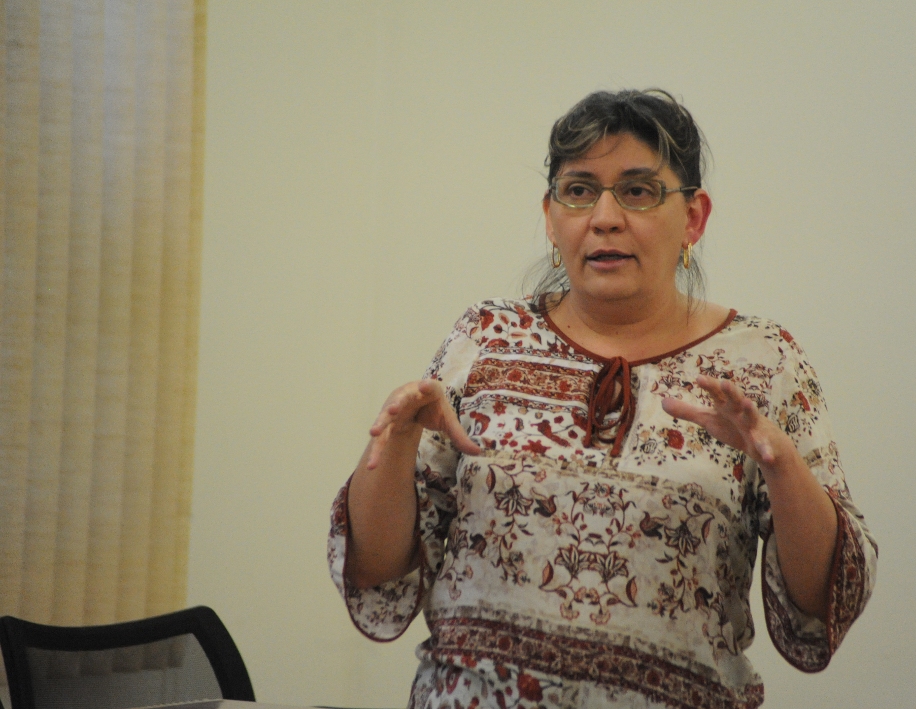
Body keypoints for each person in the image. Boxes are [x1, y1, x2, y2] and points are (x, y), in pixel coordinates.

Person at [328, 89, 877, 709]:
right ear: (550, 214)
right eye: (580, 190)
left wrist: (781, 466)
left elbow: (824, 599)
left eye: (639, 191)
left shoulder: (764, 363)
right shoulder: (485, 338)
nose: (605, 217)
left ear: (694, 218)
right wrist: (397, 445)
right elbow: (377, 570)